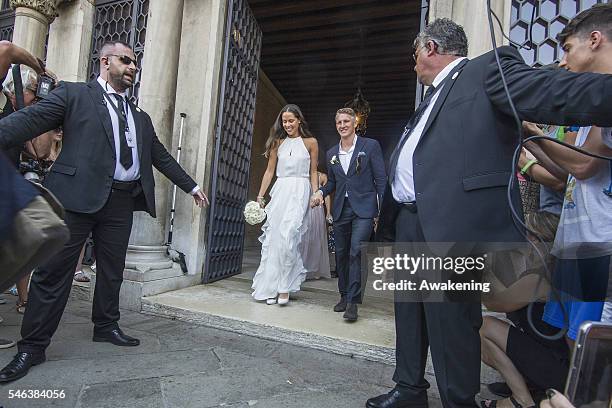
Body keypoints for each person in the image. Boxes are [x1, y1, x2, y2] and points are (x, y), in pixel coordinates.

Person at [366, 16, 612, 408]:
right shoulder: (429, 98)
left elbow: (551, 90)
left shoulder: (487, 70)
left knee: (453, 324)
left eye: (415, 53)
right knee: (409, 315)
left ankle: (458, 401)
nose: (413, 63)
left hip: (453, 223)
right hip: (408, 220)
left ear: (430, 48)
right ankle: (409, 389)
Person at [0, 40, 209, 383]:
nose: (132, 67)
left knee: (112, 270)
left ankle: (106, 325)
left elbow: (160, 156)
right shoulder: (74, 94)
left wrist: (192, 186)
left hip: (121, 202)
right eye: (126, 60)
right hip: (75, 199)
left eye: (135, 63)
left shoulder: (140, 117)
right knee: (53, 273)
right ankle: (33, 347)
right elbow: (30, 120)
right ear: (105, 61)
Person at [521, 3, 612, 350]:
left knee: (593, 355)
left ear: (594, 39)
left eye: (568, 48)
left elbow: (582, 165)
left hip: (600, 249)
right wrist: (527, 134)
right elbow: (563, 170)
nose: (562, 61)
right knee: (575, 346)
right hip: (576, 243)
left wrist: (530, 130)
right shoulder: (591, 109)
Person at [311, 107, 387, 322]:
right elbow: (334, 182)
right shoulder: (332, 153)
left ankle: (353, 302)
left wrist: (383, 210)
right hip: (341, 210)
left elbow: (381, 180)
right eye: (339, 123)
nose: (342, 125)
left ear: (355, 124)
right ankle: (344, 295)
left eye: (346, 121)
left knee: (357, 252)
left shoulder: (370, 146)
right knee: (342, 255)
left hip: (364, 209)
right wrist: (320, 192)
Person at [252, 104, 319, 305]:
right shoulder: (276, 143)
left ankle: (284, 287)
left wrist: (316, 193)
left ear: (299, 120)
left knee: (289, 235)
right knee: (274, 239)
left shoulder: (311, 142)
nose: (288, 124)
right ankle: (270, 287)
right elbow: (269, 171)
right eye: (284, 121)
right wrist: (260, 196)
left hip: (300, 189)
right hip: (280, 191)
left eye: (291, 120)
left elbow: (313, 171)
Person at [302, 171, 332, 280]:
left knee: (316, 237)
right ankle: (302, 267)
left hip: (316, 210)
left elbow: (327, 195)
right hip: (304, 207)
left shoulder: (322, 176)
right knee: (304, 237)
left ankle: (315, 269)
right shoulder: (302, 174)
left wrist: (328, 212)